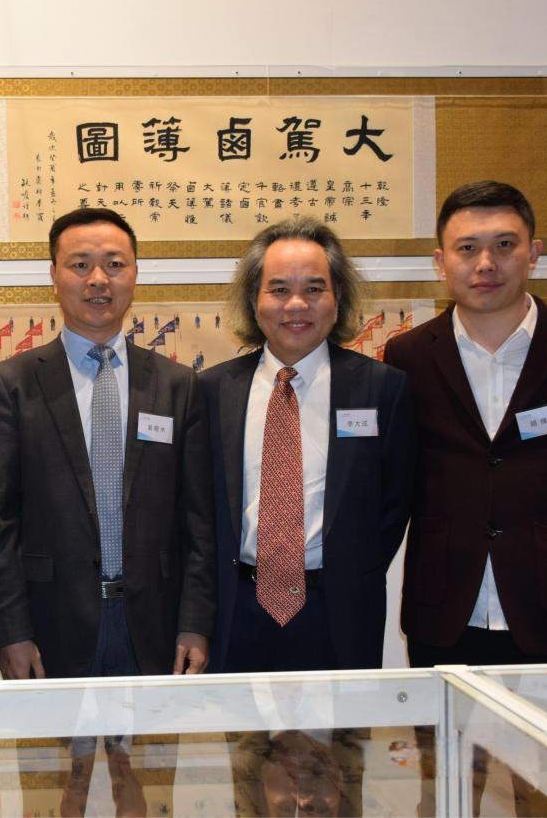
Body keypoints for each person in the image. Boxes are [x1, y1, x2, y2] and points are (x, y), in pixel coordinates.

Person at [383, 181, 547, 815]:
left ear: (534, 253)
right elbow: (402, 475)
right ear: (440, 261)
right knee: (447, 788)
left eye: (504, 245)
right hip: (445, 607)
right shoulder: (408, 355)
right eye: (467, 248)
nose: (486, 263)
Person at [0, 207, 215, 816]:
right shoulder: (10, 384)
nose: (98, 279)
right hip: (48, 627)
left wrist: (194, 622)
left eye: (114, 264)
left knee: (147, 790)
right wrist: (9, 630)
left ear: (135, 275)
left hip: (153, 627)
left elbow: (198, 522)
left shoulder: (178, 385)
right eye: (80, 265)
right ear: (55, 276)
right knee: (56, 791)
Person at [201, 218, 415, 816]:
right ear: (254, 301)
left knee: (340, 778)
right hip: (238, 615)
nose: (296, 304)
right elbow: (199, 510)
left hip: (337, 613)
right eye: (279, 289)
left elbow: (394, 503)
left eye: (314, 288)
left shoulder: (383, 389)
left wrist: (346, 572)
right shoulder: (212, 391)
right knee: (250, 780)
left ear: (337, 298)